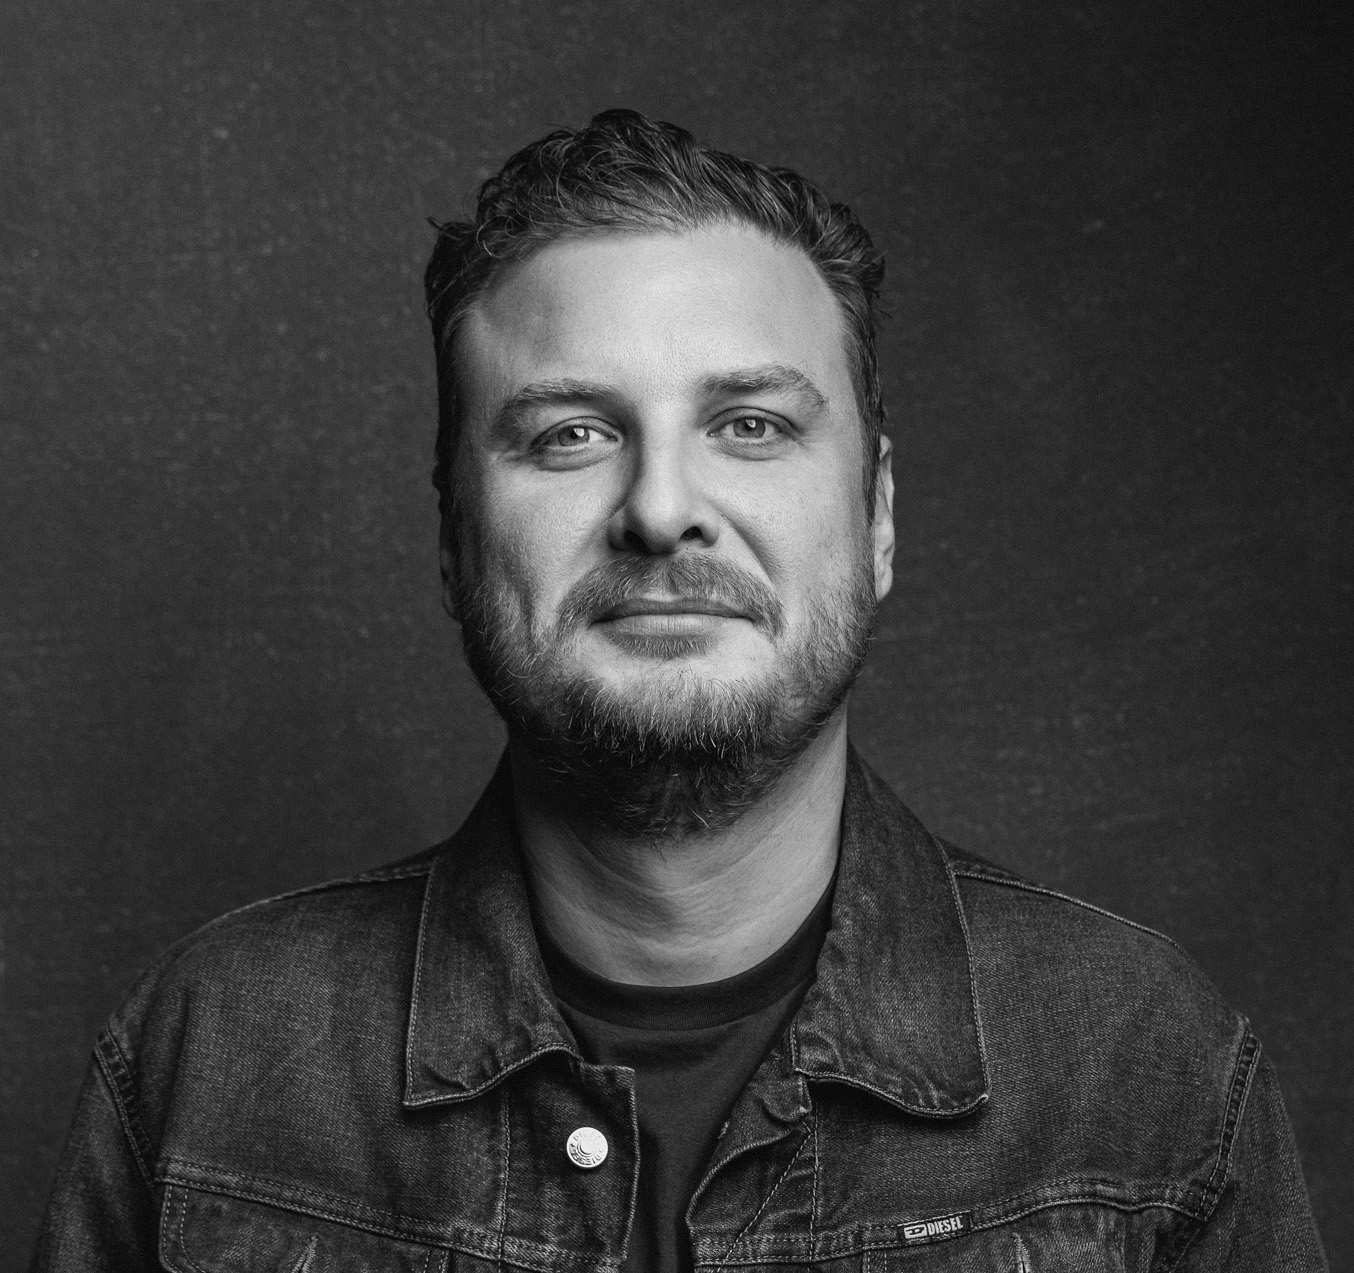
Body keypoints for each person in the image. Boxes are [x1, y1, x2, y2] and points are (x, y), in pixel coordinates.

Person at [32, 109, 1326, 1273]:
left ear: (876, 515)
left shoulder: (1140, 1075)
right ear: (454, 540)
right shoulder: (208, 1068)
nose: (659, 509)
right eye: (570, 434)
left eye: (750, 424)